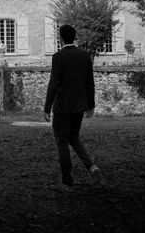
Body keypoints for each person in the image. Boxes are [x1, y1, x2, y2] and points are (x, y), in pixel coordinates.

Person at [44, 24, 101, 188]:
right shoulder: (84, 56)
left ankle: (67, 178)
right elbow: (90, 83)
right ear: (74, 37)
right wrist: (90, 105)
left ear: (60, 38)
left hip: (62, 107)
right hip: (79, 106)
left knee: (61, 140)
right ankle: (92, 167)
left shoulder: (58, 57)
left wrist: (47, 108)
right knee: (73, 137)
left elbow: (54, 83)